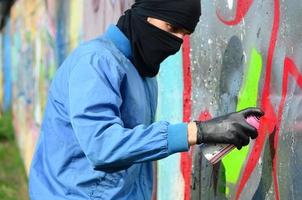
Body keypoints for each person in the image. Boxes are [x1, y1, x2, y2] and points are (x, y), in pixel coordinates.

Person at [29, 0, 264, 199]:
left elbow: (134, 153)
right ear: (145, 13)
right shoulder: (97, 62)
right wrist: (196, 132)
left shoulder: (143, 72)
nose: (175, 43)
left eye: (183, 34)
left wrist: (211, 131)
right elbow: (102, 146)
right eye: (170, 27)